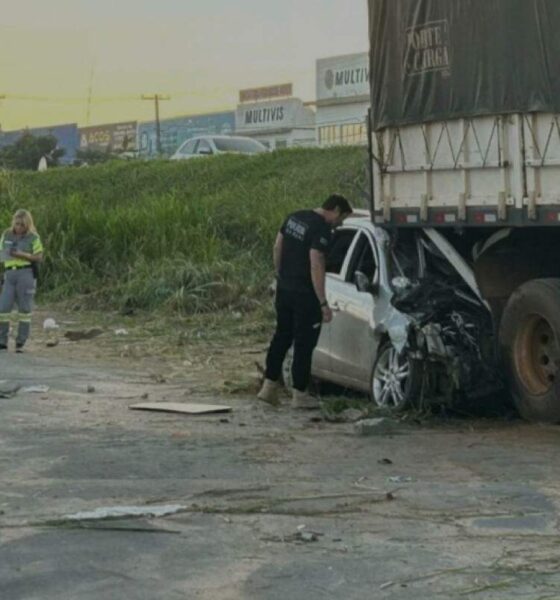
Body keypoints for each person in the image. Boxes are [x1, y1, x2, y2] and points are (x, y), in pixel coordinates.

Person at [258, 194, 353, 408]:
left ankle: (268, 387)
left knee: (281, 336)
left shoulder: (294, 217)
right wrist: (322, 302)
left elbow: (277, 247)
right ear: (336, 210)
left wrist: (280, 275)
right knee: (304, 343)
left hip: (285, 289)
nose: (340, 224)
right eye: (342, 219)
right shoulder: (321, 229)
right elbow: (316, 263)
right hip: (305, 295)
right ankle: (299, 394)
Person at [0, 209, 44, 352]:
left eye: (22, 225)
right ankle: (2, 340)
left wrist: (22, 255)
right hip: (9, 273)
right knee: (3, 308)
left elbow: (38, 257)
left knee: (24, 309)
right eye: (17, 224)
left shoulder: (33, 237)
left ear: (27, 225)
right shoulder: (7, 234)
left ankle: (21, 341)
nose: (19, 227)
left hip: (25, 273)